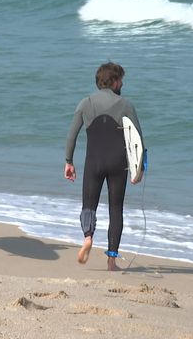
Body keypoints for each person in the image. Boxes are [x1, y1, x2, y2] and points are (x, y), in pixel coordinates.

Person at [64, 62, 143, 271]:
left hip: (94, 163)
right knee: (116, 210)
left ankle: (88, 237)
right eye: (121, 80)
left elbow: (72, 134)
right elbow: (138, 140)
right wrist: (139, 168)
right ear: (114, 81)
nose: (122, 83)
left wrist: (68, 162)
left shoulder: (86, 103)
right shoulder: (126, 104)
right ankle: (111, 260)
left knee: (89, 206)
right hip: (119, 164)